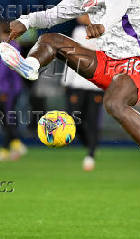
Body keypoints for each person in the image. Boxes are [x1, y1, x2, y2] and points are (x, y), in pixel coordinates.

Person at [0, 0, 140, 200]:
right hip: (108, 63)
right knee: (51, 39)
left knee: (113, 104)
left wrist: (103, 24)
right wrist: (26, 21)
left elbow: (116, 8)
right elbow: (54, 14)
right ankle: (31, 67)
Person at [62, 14, 104, 171]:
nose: (79, 16)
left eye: (83, 13)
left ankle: (91, 154)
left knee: (92, 120)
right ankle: (89, 144)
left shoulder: (103, 31)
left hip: (95, 85)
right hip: (77, 83)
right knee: (74, 119)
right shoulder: (78, 32)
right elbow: (71, 56)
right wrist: (66, 81)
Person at [0, 20, 27, 161]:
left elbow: (4, 71)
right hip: (11, 87)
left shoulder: (8, 48)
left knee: (6, 117)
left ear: (2, 32)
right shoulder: (12, 46)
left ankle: (9, 148)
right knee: (6, 117)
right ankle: (15, 146)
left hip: (8, 88)